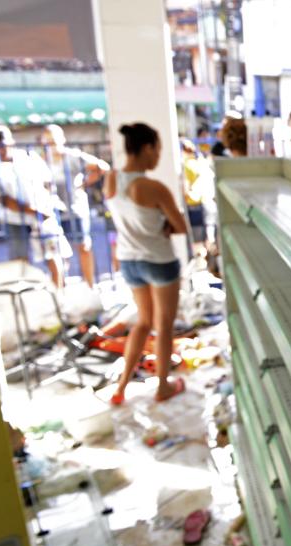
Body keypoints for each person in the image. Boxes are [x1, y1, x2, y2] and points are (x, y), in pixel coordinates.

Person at [104, 123, 188, 405]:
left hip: (129, 261)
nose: (158, 157)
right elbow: (181, 227)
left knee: (142, 322)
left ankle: (122, 387)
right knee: (163, 325)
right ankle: (163, 386)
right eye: (158, 150)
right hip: (159, 261)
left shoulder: (112, 180)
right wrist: (164, 226)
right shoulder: (153, 187)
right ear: (148, 148)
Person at [0, 125, 71, 289]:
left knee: (53, 255)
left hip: (43, 216)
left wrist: (46, 206)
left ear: (11, 142)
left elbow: (47, 183)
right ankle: (27, 298)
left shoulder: (30, 157)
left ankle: (59, 295)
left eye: (2, 144)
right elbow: (2, 198)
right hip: (15, 220)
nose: (0, 150)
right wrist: (34, 211)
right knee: (20, 262)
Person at [37, 124, 110, 288]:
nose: (51, 144)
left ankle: (90, 285)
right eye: (47, 141)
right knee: (58, 251)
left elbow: (102, 167)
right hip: (52, 211)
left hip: (75, 208)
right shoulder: (41, 160)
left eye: (54, 140)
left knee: (83, 245)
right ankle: (62, 290)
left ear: (62, 140)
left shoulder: (73, 156)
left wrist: (84, 182)